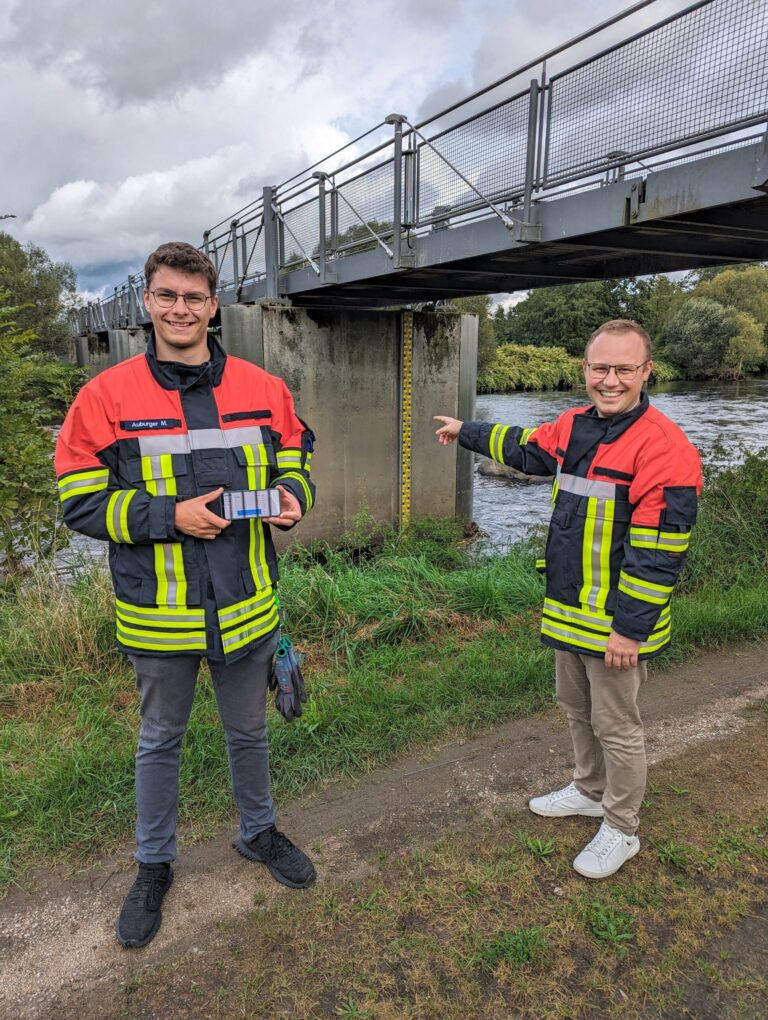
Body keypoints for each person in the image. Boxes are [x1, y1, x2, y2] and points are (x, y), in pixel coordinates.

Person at [55, 241, 317, 948]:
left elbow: (295, 454)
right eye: (167, 296)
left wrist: (294, 494)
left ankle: (258, 832)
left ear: (213, 305)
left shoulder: (265, 388)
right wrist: (169, 516)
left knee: (250, 732)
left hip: (248, 605)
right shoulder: (104, 398)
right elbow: (80, 502)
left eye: (194, 297)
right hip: (159, 613)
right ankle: (154, 866)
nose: (180, 309)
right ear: (147, 301)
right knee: (160, 741)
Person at [435, 319, 702, 879]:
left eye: (624, 369)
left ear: (646, 372)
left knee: (617, 727)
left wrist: (629, 629)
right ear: (585, 369)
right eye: (600, 368)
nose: (610, 380)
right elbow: (526, 448)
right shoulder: (575, 424)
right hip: (569, 610)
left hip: (616, 623)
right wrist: (466, 430)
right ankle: (588, 790)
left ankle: (621, 827)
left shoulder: (665, 448)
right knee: (576, 710)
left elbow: (659, 555)